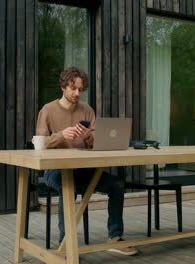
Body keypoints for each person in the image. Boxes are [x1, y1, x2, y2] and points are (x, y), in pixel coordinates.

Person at [36, 67, 137, 256]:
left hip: (83, 169)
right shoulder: (48, 110)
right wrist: (60, 135)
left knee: (116, 184)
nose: (77, 93)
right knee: (69, 188)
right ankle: (66, 245)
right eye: (73, 89)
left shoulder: (87, 110)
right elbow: (39, 145)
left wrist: (89, 137)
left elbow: (98, 142)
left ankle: (115, 237)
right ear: (63, 86)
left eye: (81, 89)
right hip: (55, 170)